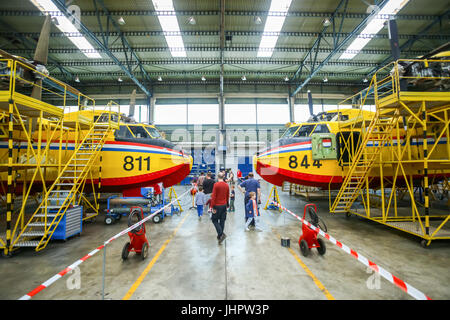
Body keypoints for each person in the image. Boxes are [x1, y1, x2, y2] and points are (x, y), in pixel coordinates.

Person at [210, 172, 230, 244]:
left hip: (217, 206)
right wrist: (227, 205)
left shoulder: (216, 185)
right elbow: (227, 196)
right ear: (224, 177)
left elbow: (214, 196)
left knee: (214, 220)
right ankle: (219, 237)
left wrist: (211, 206)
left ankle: (221, 234)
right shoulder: (226, 185)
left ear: (217, 177)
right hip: (224, 205)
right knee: (222, 221)